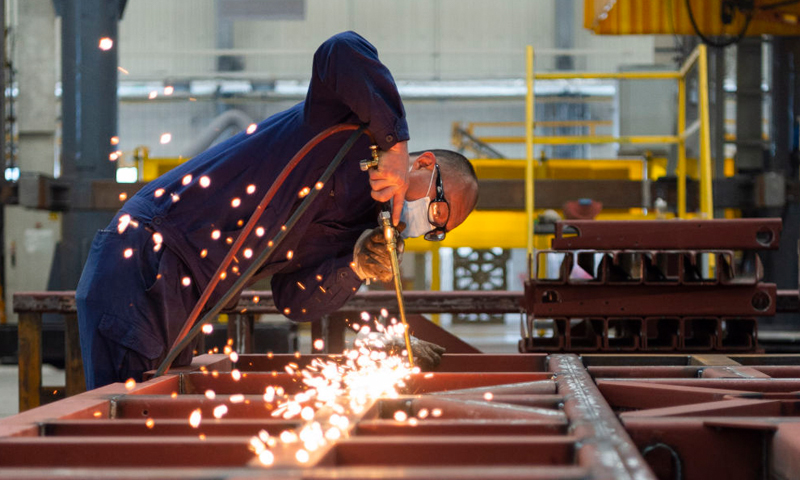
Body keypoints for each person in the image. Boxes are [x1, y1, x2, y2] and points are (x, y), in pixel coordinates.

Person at [76, 31, 479, 390]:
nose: (427, 221)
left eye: (437, 229)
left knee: (154, 419)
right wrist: (393, 143)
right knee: (127, 411)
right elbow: (339, 50)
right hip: (149, 254)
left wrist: (356, 265)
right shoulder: (351, 126)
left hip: (192, 296)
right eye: (439, 209)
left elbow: (293, 301)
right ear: (424, 163)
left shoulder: (359, 229)